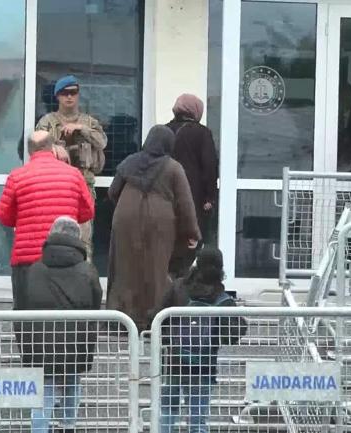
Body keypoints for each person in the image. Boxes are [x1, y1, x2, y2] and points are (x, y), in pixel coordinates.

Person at [106, 125, 200, 331]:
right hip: (160, 222)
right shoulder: (173, 167)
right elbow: (185, 204)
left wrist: (127, 207)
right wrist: (191, 232)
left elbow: (113, 192)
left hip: (125, 218)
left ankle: (122, 321)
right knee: (157, 269)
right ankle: (154, 321)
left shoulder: (129, 162)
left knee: (125, 268)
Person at [16, 217, 102, 433]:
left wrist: (25, 348)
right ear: (77, 239)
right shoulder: (88, 271)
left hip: (41, 347)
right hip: (76, 345)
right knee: (72, 382)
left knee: (44, 396)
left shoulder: (33, 270)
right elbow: (95, 306)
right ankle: (68, 426)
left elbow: (19, 310)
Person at [0, 131, 95, 309]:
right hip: (67, 258)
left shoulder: (16, 177)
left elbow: (4, 216)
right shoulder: (74, 175)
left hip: (26, 258)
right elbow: (88, 211)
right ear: (52, 147)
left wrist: (24, 218)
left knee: (26, 315)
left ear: (29, 151)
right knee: (65, 314)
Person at [158, 248, 247, 433]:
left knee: (167, 413)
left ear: (196, 265)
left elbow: (157, 317)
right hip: (203, 367)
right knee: (198, 420)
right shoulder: (222, 299)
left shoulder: (178, 287)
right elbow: (234, 334)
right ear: (220, 269)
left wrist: (168, 338)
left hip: (173, 362)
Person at [35, 75, 107, 260]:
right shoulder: (47, 122)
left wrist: (80, 129)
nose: (69, 97)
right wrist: (53, 147)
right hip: (55, 188)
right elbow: (35, 148)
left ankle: (83, 279)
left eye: (73, 93)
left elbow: (102, 142)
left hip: (83, 186)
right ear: (57, 96)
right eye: (65, 93)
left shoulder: (89, 122)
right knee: (54, 236)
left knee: (84, 239)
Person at [166, 94, 218, 276]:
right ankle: (180, 287)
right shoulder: (202, 133)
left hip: (165, 198)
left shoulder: (163, 131)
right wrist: (210, 197)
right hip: (192, 198)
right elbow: (209, 167)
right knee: (190, 246)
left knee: (168, 248)